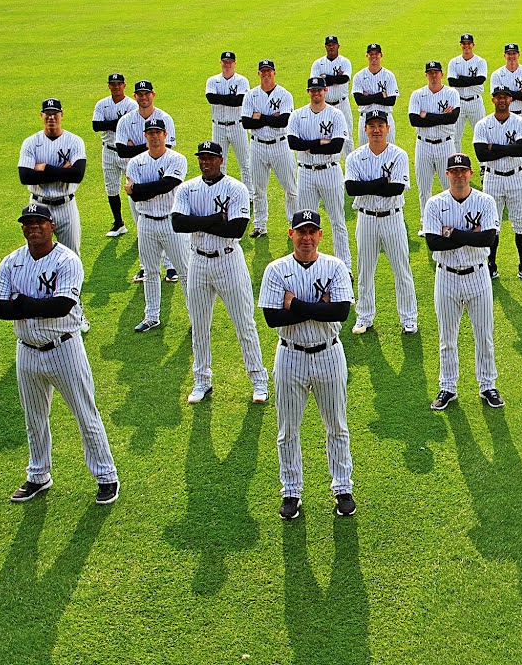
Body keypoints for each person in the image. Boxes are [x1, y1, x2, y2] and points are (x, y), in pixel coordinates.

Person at [0, 203, 117, 506]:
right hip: (26, 352)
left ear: (51, 226)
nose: (33, 227)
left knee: (85, 415)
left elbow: (62, 305)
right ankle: (38, 475)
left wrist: (21, 304)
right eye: (28, 222)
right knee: (33, 418)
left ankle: (106, 476)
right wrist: (35, 306)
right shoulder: (11, 262)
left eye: (39, 222)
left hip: (64, 348)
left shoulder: (67, 260)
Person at [259, 211, 357, 520]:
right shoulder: (276, 270)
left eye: (312, 231)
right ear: (291, 234)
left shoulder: (335, 266)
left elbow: (340, 312)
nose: (307, 237)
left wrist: (295, 304)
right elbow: (273, 318)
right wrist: (318, 308)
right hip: (290, 355)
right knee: (288, 429)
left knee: (337, 426)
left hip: (328, 354)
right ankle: (291, 491)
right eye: (301, 231)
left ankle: (342, 487)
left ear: (320, 235)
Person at [172, 142, 270, 405]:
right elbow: (178, 223)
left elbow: (236, 229)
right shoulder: (187, 188)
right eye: (202, 158)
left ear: (221, 159)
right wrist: (215, 218)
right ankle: (202, 380)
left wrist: (200, 221)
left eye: (210, 158)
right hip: (198, 262)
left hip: (228, 260)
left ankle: (259, 380)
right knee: (199, 324)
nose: (205, 162)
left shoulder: (236, 188)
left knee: (244, 323)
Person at [423, 154, 505, 411]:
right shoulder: (435, 204)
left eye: (463, 171)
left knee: (484, 335)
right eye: (454, 171)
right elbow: (433, 243)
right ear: (447, 174)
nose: (459, 175)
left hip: (478, 275)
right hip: (446, 276)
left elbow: (488, 240)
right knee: (447, 337)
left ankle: (487, 385)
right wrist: (471, 235)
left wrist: (452, 232)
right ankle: (448, 386)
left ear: (471, 173)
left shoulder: (486, 201)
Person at [344, 108, 416, 334]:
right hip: (365, 219)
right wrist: (380, 181)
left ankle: (409, 318)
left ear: (388, 128)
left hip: (393, 218)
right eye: (372, 126)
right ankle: (364, 317)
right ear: (365, 129)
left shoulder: (398, 155)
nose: (376, 130)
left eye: (380, 126)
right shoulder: (354, 156)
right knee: (365, 270)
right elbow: (351, 188)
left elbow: (395, 189)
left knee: (402, 270)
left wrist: (369, 185)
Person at [123, 118, 189, 334]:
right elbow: (137, 198)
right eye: (150, 132)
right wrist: (140, 191)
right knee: (150, 271)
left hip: (171, 222)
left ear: (165, 134)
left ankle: (195, 317)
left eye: (157, 132)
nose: (154, 136)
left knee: (185, 272)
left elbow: (167, 185)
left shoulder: (177, 159)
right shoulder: (135, 162)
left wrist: (139, 189)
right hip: (146, 222)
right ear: (145, 136)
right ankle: (152, 316)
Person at [471, 86, 522, 280]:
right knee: (492, 223)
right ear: (493, 100)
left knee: (521, 223)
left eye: (505, 97)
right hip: (493, 177)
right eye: (498, 97)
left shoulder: (521, 122)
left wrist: (494, 147)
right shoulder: (483, 124)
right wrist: (509, 148)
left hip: (517, 176)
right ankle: (491, 264)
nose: (501, 100)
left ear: (511, 100)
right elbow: (481, 153)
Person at [286, 76, 353, 262]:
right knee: (305, 223)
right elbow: (293, 143)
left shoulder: (336, 115)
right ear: (308, 92)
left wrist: (307, 145)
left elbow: (336, 146)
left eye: (319, 90)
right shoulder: (297, 115)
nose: (316, 93)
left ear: (325, 91)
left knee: (338, 221)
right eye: (313, 90)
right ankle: (307, 261)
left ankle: (344, 265)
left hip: (330, 171)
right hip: (306, 172)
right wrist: (319, 142)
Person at [18, 98, 86, 251]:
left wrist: (45, 168)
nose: (51, 117)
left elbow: (77, 175)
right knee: (36, 252)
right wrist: (64, 171)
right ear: (41, 115)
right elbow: (25, 177)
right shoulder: (30, 142)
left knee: (72, 254)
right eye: (47, 114)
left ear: (61, 114)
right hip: (38, 205)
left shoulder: (74, 141)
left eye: (55, 113)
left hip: (66, 206)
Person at [240, 61, 297, 238]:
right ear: (259, 73)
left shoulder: (284, 95)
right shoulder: (251, 95)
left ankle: (294, 224)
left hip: (280, 144)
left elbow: (284, 121)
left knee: (291, 188)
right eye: (263, 72)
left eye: (269, 71)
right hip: (257, 145)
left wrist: (260, 117)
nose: (266, 74)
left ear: (274, 73)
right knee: (258, 189)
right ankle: (260, 225)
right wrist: (271, 118)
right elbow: (246, 122)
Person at [489, 42, 522, 205]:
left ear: (518, 55)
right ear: (504, 56)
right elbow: (497, 98)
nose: (511, 56)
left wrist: (509, 94)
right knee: (503, 147)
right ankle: (502, 186)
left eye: (514, 53)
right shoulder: (497, 74)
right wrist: (519, 93)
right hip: (503, 117)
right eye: (508, 54)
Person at [407, 60, 461, 207]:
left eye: (436, 72)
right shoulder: (417, 95)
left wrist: (426, 115)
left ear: (442, 74)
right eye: (430, 73)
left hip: (446, 145)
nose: (433, 76)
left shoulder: (451, 93)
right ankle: (425, 223)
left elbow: (452, 118)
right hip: (423, 145)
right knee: (424, 189)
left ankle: (451, 221)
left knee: (449, 186)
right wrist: (441, 117)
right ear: (426, 75)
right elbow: (414, 120)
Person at [91, 74, 136, 238]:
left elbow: (130, 127)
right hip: (108, 150)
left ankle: (139, 224)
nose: (116, 87)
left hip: (126, 151)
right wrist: (117, 123)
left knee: (133, 187)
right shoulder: (102, 104)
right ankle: (119, 223)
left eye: (119, 84)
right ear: (109, 86)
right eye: (113, 84)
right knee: (111, 188)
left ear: (124, 85)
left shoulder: (132, 105)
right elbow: (96, 126)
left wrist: (111, 124)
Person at [110, 80, 175, 182]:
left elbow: (166, 148)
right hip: (135, 170)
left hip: (161, 168)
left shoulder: (165, 118)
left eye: (147, 94)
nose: (143, 97)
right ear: (135, 96)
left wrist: (133, 148)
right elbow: (122, 152)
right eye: (140, 94)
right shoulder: (125, 120)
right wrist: (148, 146)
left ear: (153, 95)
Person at [205, 51, 252, 176]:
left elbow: (240, 101)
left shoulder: (242, 81)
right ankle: (221, 191)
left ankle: (250, 194)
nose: (227, 65)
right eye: (225, 62)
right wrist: (231, 98)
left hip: (237, 126)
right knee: (219, 163)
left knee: (245, 163)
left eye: (230, 62)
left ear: (235, 63)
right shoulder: (212, 81)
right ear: (220, 63)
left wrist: (220, 98)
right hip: (218, 127)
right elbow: (211, 98)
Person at [350, 43, 400, 144]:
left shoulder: (389, 76)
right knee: (364, 153)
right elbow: (359, 100)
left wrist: (368, 97)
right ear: (367, 55)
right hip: (365, 119)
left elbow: (391, 101)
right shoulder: (359, 76)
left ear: (381, 55)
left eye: (376, 54)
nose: (374, 57)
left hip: (385, 119)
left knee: (389, 152)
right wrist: (381, 95)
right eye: (371, 54)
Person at [446, 33, 488, 148]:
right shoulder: (454, 62)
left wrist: (461, 78)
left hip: (476, 102)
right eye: (464, 44)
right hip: (458, 102)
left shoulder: (480, 61)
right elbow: (452, 82)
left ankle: (483, 165)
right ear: (460, 45)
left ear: (473, 44)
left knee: (481, 135)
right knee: (454, 136)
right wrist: (471, 80)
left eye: (468, 44)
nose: (466, 46)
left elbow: (480, 80)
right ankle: (456, 164)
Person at [310, 35, 355, 131]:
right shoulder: (317, 63)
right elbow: (315, 84)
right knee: (323, 133)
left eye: (333, 45)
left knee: (347, 134)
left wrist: (326, 78)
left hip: (342, 104)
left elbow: (344, 79)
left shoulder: (345, 62)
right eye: (329, 45)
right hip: (324, 104)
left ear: (338, 46)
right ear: (325, 47)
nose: (331, 47)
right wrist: (337, 78)